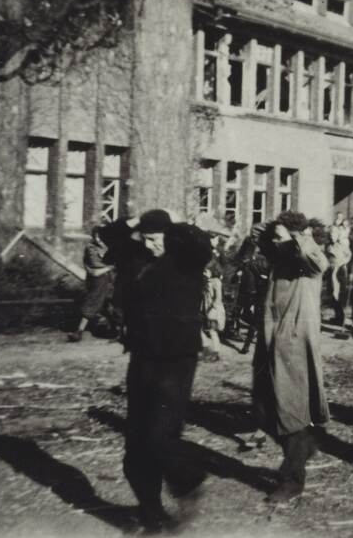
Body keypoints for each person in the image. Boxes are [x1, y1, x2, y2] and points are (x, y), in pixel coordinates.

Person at [120, 209, 213, 531]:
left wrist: (174, 226)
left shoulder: (186, 260)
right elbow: (109, 239)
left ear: (170, 236)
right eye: (145, 239)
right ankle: (151, 514)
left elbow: (200, 244)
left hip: (176, 359)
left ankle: (189, 481)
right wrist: (134, 222)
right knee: (135, 445)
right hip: (143, 357)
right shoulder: (139, 260)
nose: (150, 245)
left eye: (155, 238)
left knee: (159, 436)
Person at [252, 211, 330, 502]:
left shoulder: (307, 265)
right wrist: (279, 226)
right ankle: (306, 445)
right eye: (274, 238)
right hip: (271, 343)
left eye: (280, 238)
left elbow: (316, 259)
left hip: (293, 345)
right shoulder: (279, 259)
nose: (274, 242)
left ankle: (293, 479)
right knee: (265, 408)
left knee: (291, 409)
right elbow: (256, 232)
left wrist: (299, 234)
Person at [68, 226, 116, 342]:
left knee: (113, 303)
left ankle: (116, 331)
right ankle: (79, 331)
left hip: (111, 278)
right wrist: (111, 266)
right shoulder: (91, 247)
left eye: (101, 237)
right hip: (99, 280)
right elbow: (95, 266)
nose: (98, 239)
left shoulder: (110, 245)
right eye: (96, 237)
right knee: (92, 303)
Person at [200, 260, 225, 362]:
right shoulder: (206, 281)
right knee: (199, 328)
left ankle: (216, 352)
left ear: (212, 270)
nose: (204, 273)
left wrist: (211, 309)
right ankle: (206, 347)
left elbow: (218, 298)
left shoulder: (216, 282)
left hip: (214, 310)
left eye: (206, 271)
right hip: (205, 308)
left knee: (212, 331)